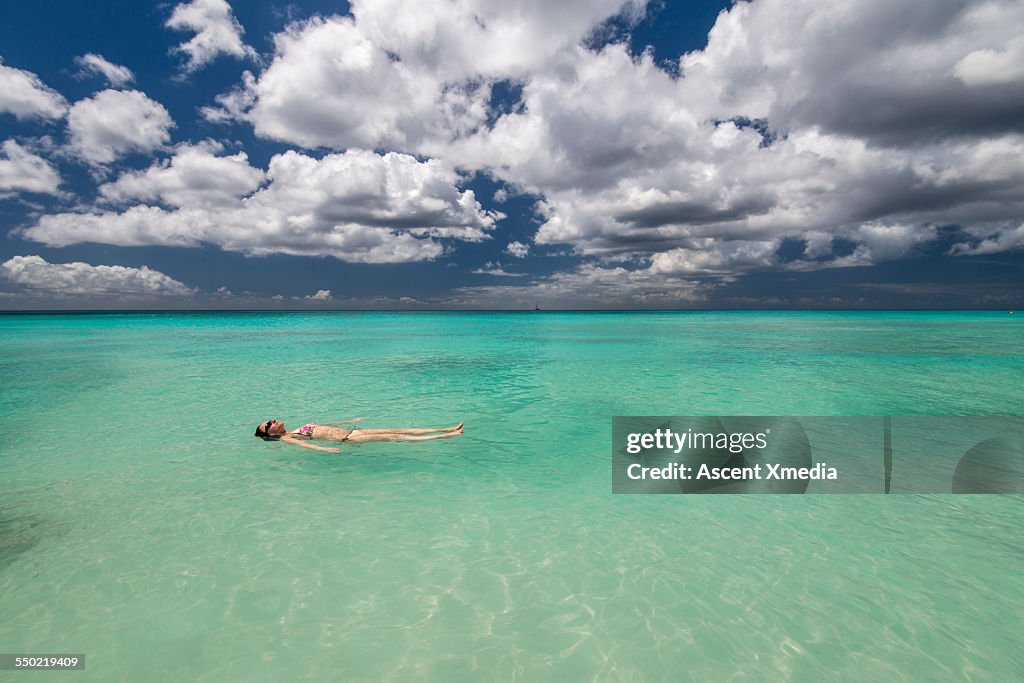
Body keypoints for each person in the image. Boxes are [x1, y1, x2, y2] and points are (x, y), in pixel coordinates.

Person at [254, 418, 464, 453]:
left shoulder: (295, 429)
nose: (273, 420)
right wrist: (325, 449)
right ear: (269, 433)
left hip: (352, 431)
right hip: (349, 439)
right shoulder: (287, 438)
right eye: (269, 424)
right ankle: (448, 436)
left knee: (400, 429)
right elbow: (306, 446)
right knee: (398, 437)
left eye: (271, 420)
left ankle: (447, 428)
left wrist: (348, 420)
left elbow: (324, 425)